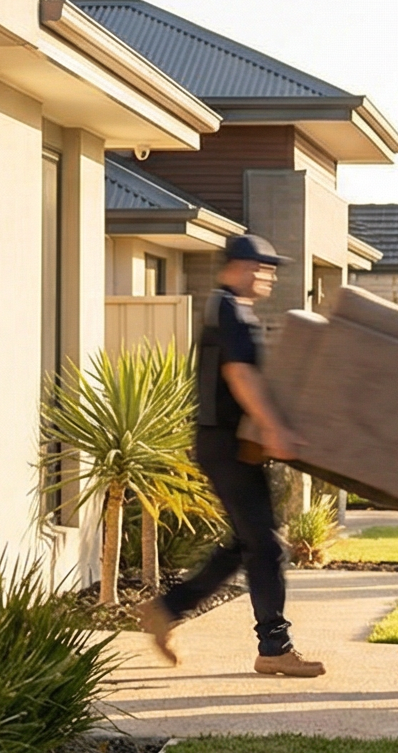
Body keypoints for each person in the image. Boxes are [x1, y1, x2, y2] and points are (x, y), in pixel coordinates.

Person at [134, 235, 327, 677]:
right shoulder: (230, 310)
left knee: (250, 543)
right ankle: (274, 647)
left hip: (226, 444)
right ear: (241, 267)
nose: (271, 276)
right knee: (265, 545)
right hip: (224, 444)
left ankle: (167, 609)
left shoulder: (229, 309)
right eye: (265, 267)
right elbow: (239, 374)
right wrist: (275, 428)